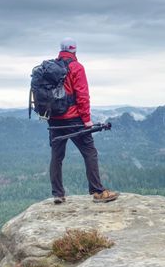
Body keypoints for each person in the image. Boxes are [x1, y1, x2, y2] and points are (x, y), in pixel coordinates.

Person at [48, 37, 119, 204]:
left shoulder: (51, 68)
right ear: (74, 50)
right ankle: (97, 191)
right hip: (74, 119)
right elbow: (82, 95)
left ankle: (58, 194)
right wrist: (86, 119)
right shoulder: (76, 67)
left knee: (57, 156)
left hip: (54, 119)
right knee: (90, 152)